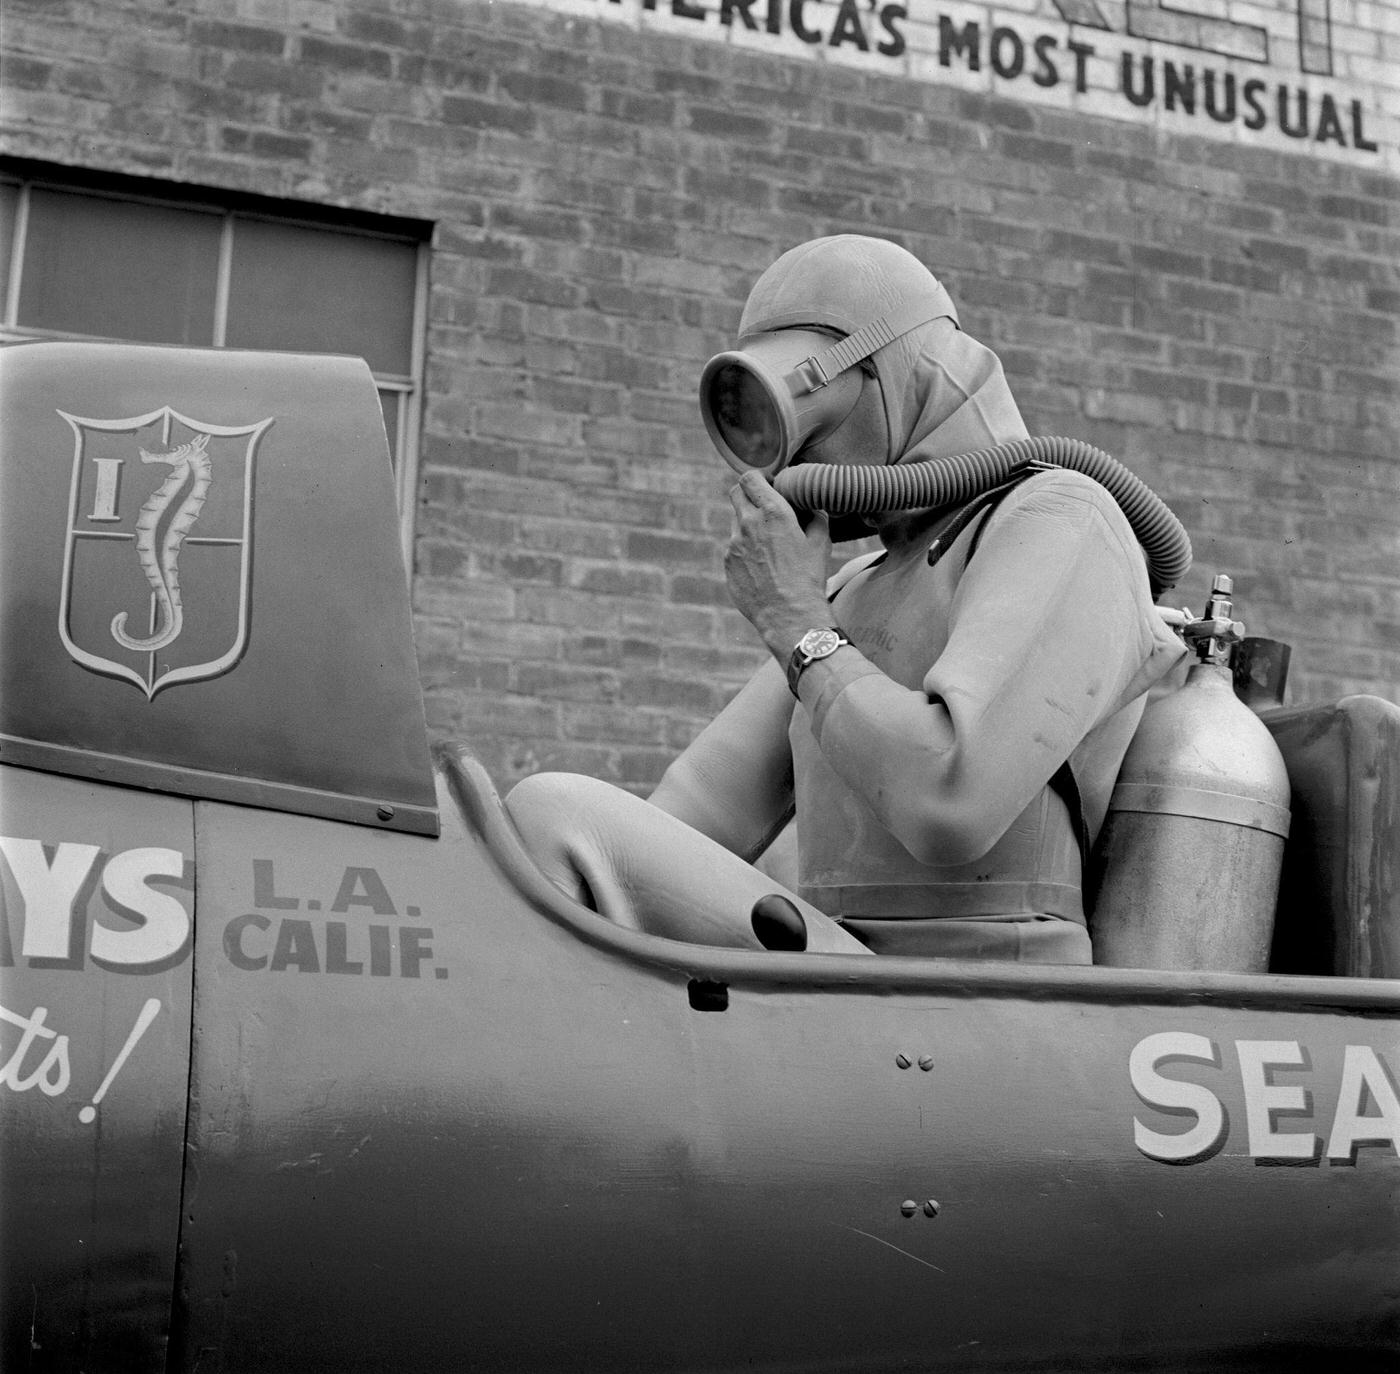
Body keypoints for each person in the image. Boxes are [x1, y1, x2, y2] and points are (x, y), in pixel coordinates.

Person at [505, 235, 1185, 962]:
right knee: (535, 827)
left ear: (885, 371)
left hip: (983, 997)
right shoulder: (855, 589)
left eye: (801, 412)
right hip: (852, 988)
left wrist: (796, 624)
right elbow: (690, 815)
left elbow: (950, 801)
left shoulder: (1061, 517)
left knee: (556, 810)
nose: (790, 456)